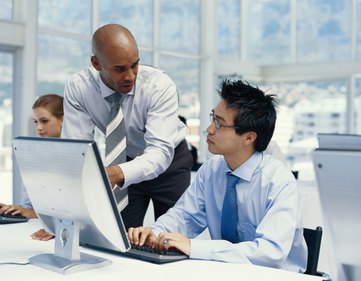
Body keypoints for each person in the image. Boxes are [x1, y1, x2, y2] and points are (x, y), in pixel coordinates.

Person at [128, 79, 308, 273]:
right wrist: (154, 234)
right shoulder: (212, 169)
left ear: (249, 137)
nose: (209, 129)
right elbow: (185, 215)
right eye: (213, 118)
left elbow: (270, 253)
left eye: (220, 124)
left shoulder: (279, 182)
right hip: (226, 272)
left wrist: (193, 247)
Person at [61, 24, 193, 230]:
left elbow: (159, 152)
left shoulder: (159, 86)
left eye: (135, 65)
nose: (130, 76)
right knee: (120, 235)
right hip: (125, 159)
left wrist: (115, 173)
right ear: (96, 63)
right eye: (120, 69)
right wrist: (64, 218)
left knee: (172, 240)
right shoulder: (79, 88)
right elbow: (76, 151)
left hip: (170, 163)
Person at [0, 93, 63, 241]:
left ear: (63, 119)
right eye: (36, 122)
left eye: (44, 121)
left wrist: (33, 214)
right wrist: (15, 210)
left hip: (59, 232)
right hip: (34, 227)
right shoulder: (36, 156)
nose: (39, 127)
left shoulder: (80, 156)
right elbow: (27, 205)